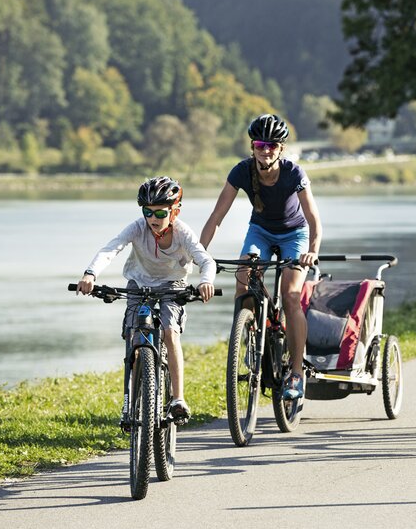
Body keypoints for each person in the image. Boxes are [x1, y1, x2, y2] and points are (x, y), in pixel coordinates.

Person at [200, 113, 322, 400]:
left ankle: (295, 372)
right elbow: (217, 216)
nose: (265, 150)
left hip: (294, 234)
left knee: (291, 295)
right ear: (252, 146)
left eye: (271, 145)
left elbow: (313, 219)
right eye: (259, 144)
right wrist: (201, 254)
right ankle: (252, 335)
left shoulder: (294, 173)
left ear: (280, 148)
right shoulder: (241, 171)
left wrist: (312, 252)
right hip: (261, 232)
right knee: (244, 279)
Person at [76, 176, 216, 422]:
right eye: (147, 212)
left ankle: (177, 399)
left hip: (173, 285)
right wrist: (90, 273)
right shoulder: (137, 227)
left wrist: (206, 281)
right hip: (138, 283)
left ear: (175, 212)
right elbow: (112, 248)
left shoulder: (183, 232)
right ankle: (130, 403)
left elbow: (206, 260)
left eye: (160, 213)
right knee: (134, 337)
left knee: (170, 332)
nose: (153, 219)